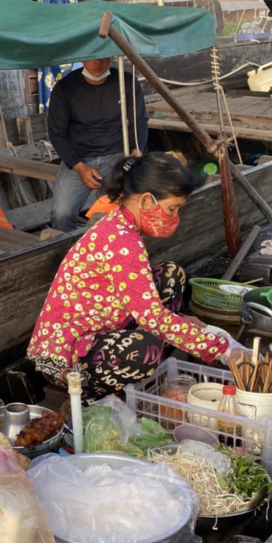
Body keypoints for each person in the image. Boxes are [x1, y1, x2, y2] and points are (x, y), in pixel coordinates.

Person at [27, 152, 246, 403]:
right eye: (172, 209)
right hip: (63, 354)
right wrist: (222, 349)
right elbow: (152, 316)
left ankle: (150, 363)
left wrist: (190, 323)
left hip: (104, 324)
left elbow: (142, 302)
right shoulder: (122, 240)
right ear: (145, 201)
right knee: (144, 349)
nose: (174, 218)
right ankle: (95, 392)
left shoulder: (122, 224)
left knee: (171, 275)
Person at [47, 58, 149, 232]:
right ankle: (69, 255)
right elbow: (57, 134)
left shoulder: (126, 82)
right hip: (79, 159)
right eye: (92, 57)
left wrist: (136, 151)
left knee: (133, 208)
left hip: (118, 155)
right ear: (82, 58)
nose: (98, 63)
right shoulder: (65, 87)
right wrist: (79, 167)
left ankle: (123, 249)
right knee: (61, 215)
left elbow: (139, 120)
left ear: (111, 57)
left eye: (103, 57)